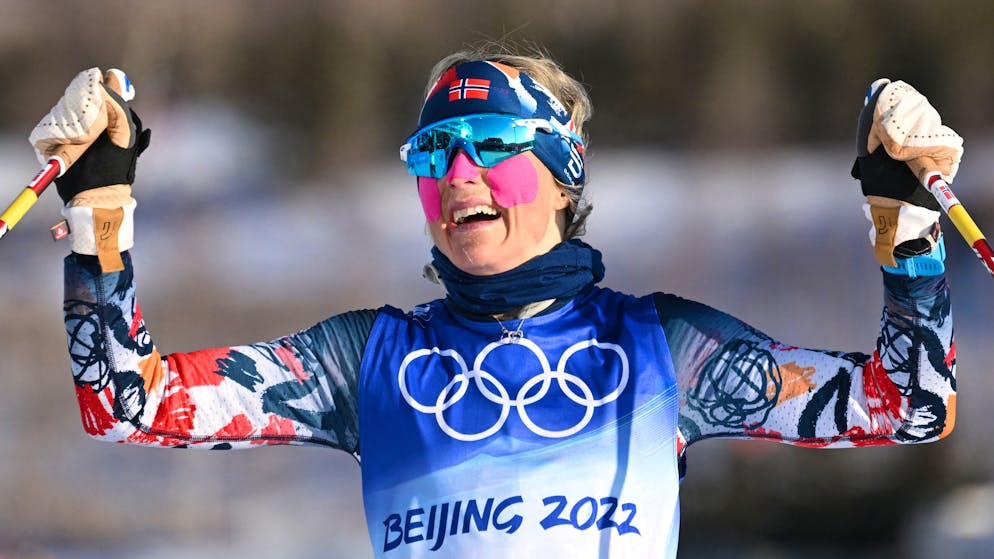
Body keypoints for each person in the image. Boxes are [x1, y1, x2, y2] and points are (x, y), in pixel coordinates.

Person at [38, 45, 958, 558]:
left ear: (563, 172)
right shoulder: (367, 361)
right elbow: (128, 404)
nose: (458, 173)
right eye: (433, 153)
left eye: (490, 143)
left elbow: (910, 404)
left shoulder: (661, 346)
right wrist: (98, 208)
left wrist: (906, 218)